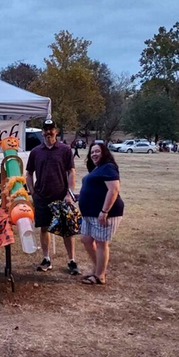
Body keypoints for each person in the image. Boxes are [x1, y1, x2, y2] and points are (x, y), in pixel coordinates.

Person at [26, 119, 79, 274]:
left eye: (51, 129)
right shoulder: (36, 152)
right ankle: (46, 259)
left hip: (61, 196)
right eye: (46, 129)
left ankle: (72, 261)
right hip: (42, 197)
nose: (48, 132)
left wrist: (69, 193)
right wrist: (33, 192)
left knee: (67, 230)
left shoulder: (65, 150)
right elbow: (29, 173)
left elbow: (71, 171)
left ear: (56, 131)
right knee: (44, 228)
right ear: (42, 132)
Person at [78, 143, 124, 285]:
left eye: (97, 151)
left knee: (101, 243)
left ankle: (99, 275)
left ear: (104, 152)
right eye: (92, 152)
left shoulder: (108, 167)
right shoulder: (97, 169)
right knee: (86, 239)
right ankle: (98, 268)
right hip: (89, 214)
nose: (94, 154)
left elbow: (113, 190)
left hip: (104, 214)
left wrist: (104, 211)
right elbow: (94, 189)